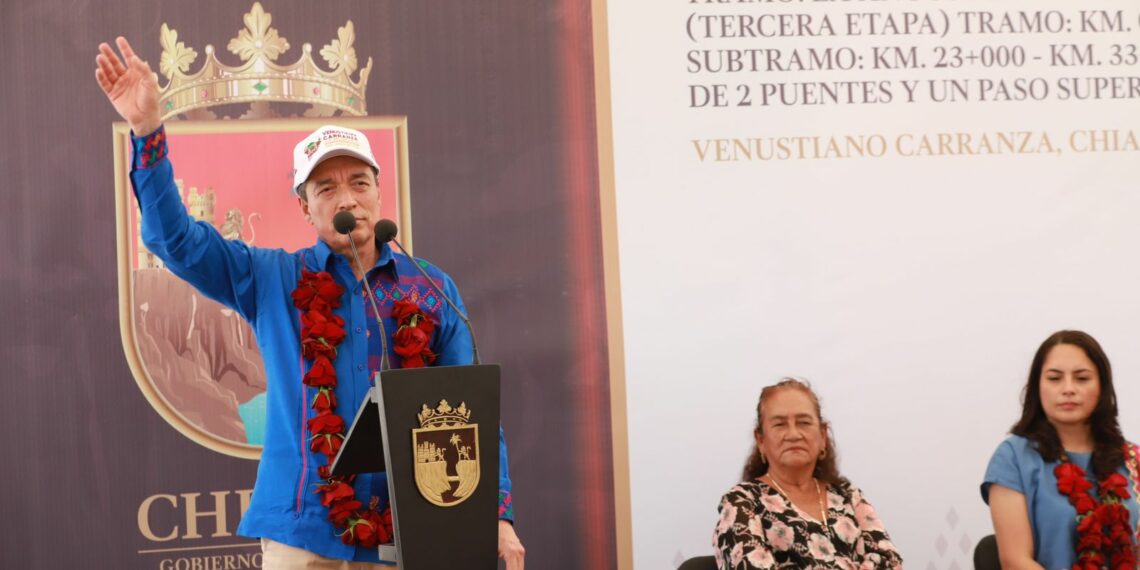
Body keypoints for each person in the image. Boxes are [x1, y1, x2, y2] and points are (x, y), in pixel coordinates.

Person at [95, 37, 526, 569]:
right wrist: (147, 131)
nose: (346, 198)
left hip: (414, 529)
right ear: (305, 206)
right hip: (301, 530)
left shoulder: (432, 290)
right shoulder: (271, 278)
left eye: (358, 183)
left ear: (378, 192)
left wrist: (496, 513)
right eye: (326, 188)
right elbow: (175, 241)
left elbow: (472, 418)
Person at [982, 330, 1139, 569]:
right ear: (1037, 387)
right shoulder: (1013, 457)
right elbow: (1015, 561)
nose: (1068, 389)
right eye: (1054, 379)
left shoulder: (1132, 460)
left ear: (1102, 386)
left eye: (1082, 378)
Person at [713, 378, 903, 569]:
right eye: (780, 425)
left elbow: (889, 561)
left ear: (822, 435)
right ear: (761, 440)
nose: (794, 434)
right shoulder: (742, 502)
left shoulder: (847, 495)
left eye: (804, 422)